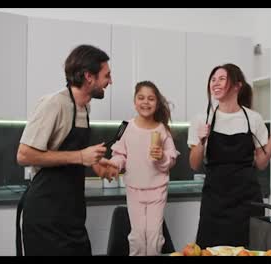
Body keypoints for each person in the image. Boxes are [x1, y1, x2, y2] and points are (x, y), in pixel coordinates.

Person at [15, 44, 118, 256]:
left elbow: (71, 153)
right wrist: (81, 156)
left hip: (71, 213)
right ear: (89, 76)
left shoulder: (84, 107)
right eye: (106, 75)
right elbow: (24, 155)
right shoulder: (54, 104)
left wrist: (96, 163)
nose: (110, 81)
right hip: (45, 214)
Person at [188, 63, 271, 248]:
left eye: (222, 79)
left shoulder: (253, 119)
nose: (215, 83)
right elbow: (194, 164)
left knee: (248, 249)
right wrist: (201, 141)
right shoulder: (202, 119)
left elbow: (261, 163)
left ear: (237, 86)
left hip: (247, 201)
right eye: (213, 79)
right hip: (215, 203)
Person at [106, 81, 179, 256]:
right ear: (134, 101)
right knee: (137, 237)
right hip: (134, 190)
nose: (146, 102)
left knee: (154, 236)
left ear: (157, 103)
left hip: (157, 190)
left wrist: (161, 156)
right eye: (141, 98)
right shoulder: (126, 127)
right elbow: (120, 155)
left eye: (151, 99)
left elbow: (172, 159)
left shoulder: (162, 130)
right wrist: (114, 164)